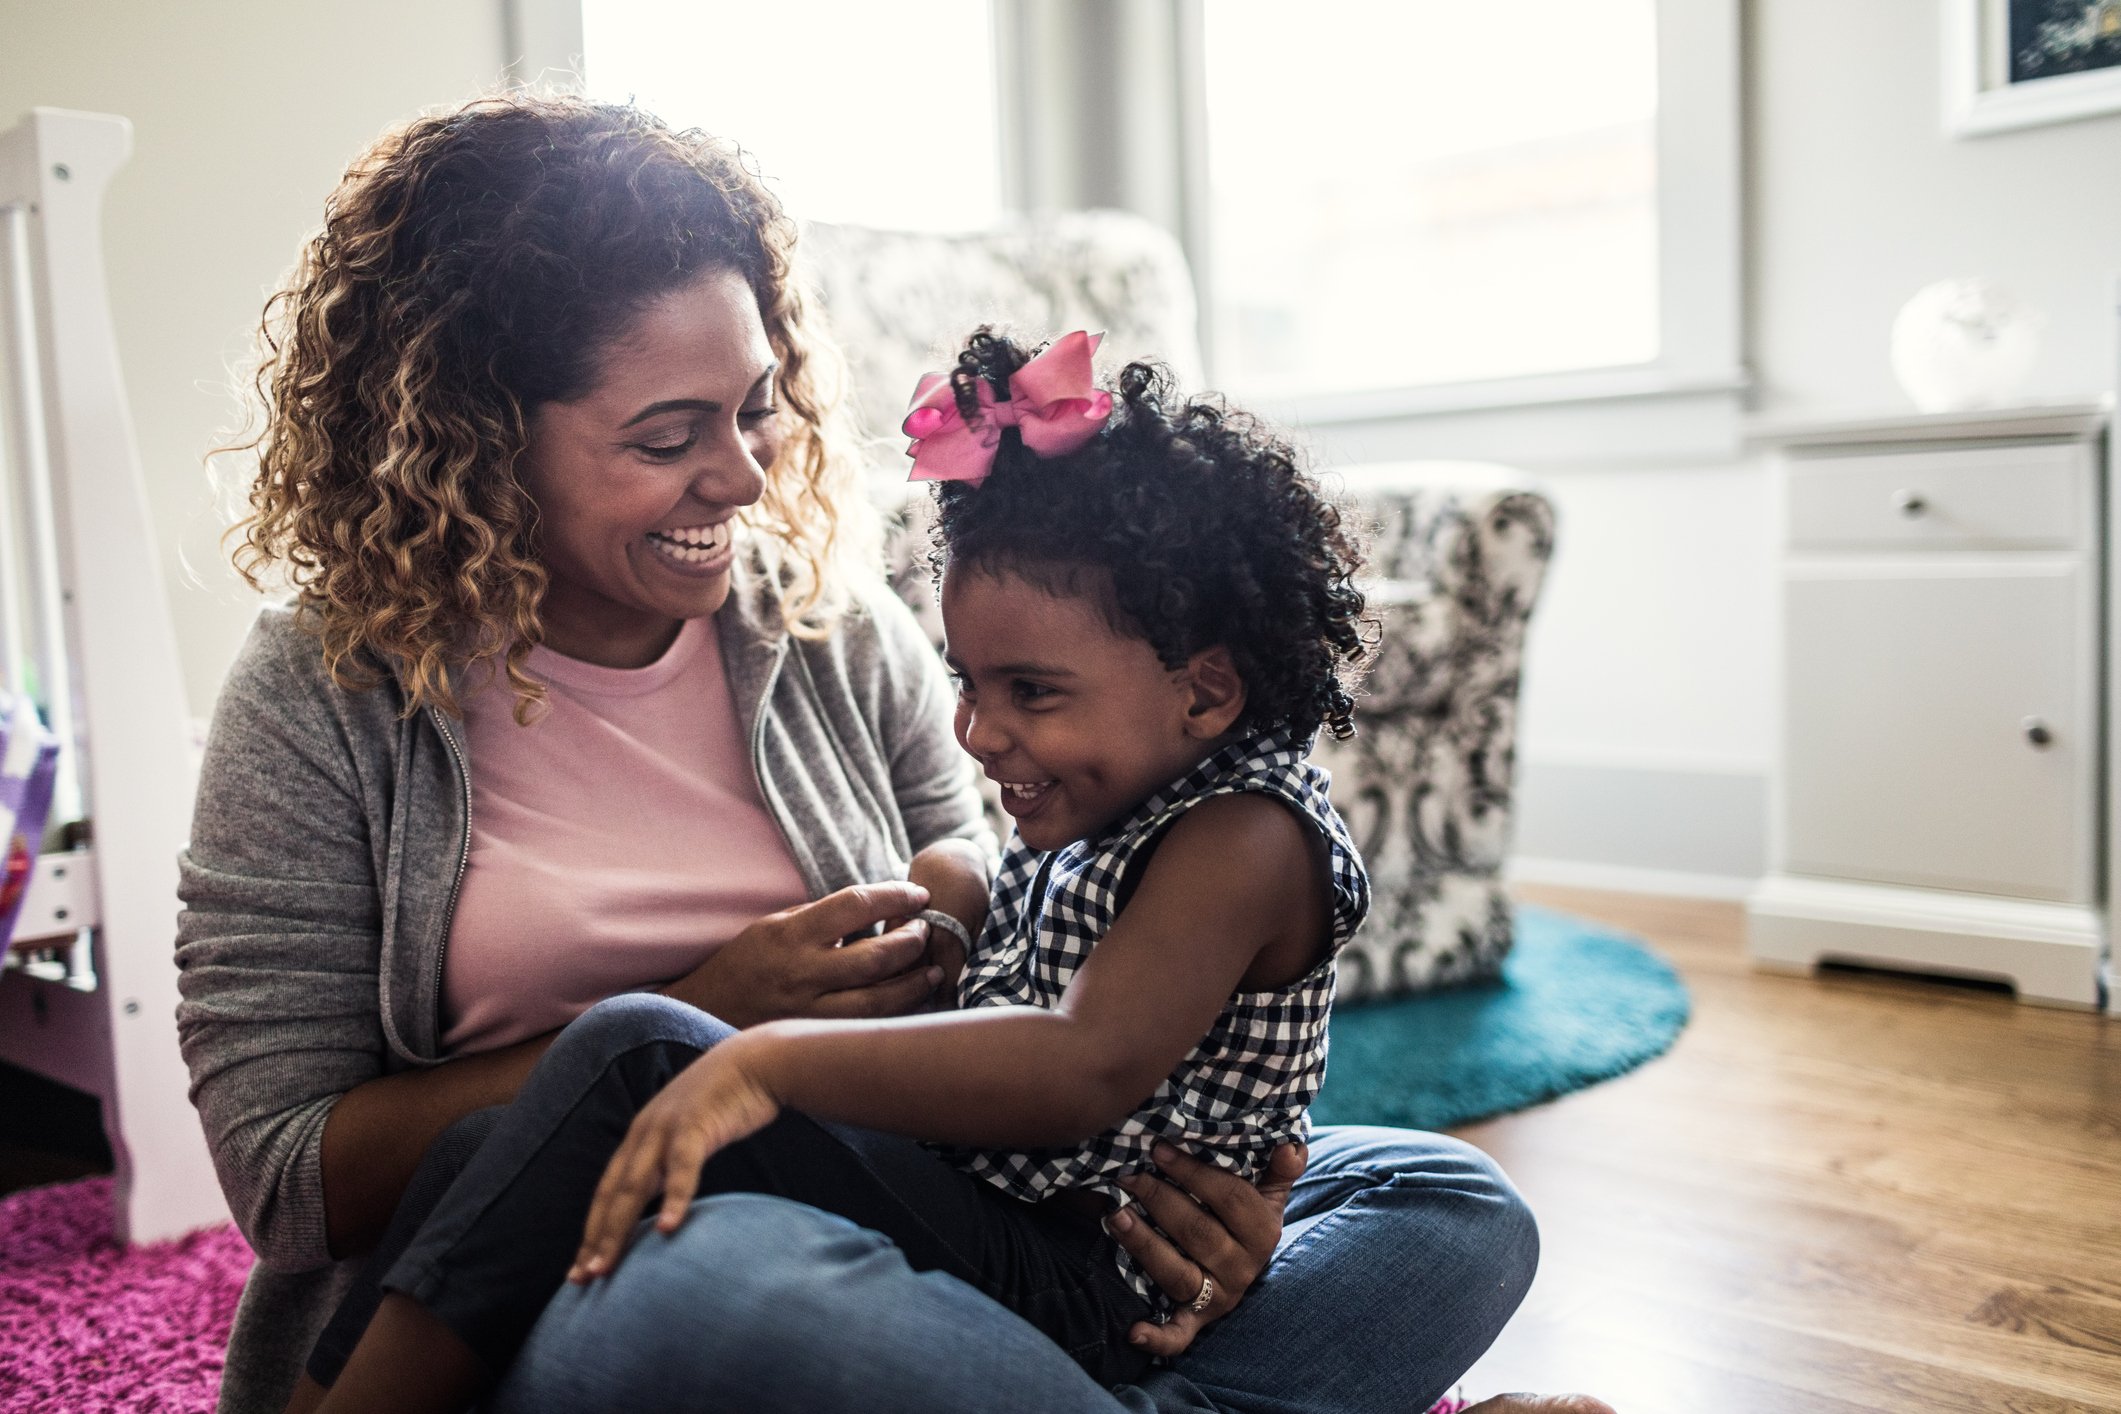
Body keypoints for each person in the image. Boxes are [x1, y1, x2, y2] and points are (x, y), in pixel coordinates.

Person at [175, 92, 1552, 1414]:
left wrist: (1226, 1200)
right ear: (473, 442)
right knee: (736, 1300)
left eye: (755, 408)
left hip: (958, 1193)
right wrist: (711, 1009)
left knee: (1445, 1203)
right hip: (601, 1261)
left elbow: (1056, 1004)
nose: (746, 476)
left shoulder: (830, 628)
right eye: (668, 435)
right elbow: (288, 1178)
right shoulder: (328, 694)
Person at [299, 326, 1375, 1413]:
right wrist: (953, 890)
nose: (976, 730)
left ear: (1204, 693)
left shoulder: (1245, 835)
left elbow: (1082, 1065)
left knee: (1444, 1197)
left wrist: (767, 1065)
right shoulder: (1123, 789)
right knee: (502, 1136)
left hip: (1081, 1273)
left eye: (1030, 693)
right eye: (968, 680)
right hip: (987, 1202)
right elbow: (987, 869)